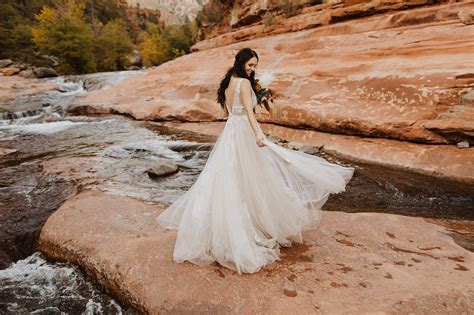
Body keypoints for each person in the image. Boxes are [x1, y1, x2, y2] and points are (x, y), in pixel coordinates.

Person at [156, 48, 354, 274]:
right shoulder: (244, 83)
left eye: (255, 66)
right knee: (255, 175)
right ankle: (253, 229)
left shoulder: (229, 81)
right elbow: (249, 114)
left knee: (232, 177)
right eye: (250, 65)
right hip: (243, 131)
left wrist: (261, 97)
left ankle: (233, 228)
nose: (253, 69)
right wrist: (258, 135)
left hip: (231, 131)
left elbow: (233, 110)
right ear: (241, 63)